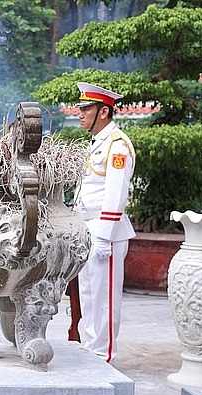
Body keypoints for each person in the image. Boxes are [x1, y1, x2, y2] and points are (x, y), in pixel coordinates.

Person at [72, 81, 136, 363]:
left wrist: (105, 235)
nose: (80, 113)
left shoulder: (117, 145)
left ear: (104, 112)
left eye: (86, 108)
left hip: (105, 228)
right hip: (88, 226)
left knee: (105, 295)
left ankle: (104, 353)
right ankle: (90, 346)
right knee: (88, 293)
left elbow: (116, 193)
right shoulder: (97, 143)